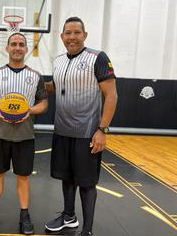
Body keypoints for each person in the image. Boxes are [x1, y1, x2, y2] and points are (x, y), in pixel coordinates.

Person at [44, 17, 118, 236]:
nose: (72, 37)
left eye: (77, 32)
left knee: (86, 183)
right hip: (62, 130)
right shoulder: (57, 61)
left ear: (85, 35)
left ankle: (87, 230)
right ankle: (69, 217)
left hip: (87, 133)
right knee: (67, 177)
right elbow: (54, 87)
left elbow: (111, 95)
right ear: (62, 36)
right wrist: (28, 82)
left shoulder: (98, 58)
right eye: (68, 33)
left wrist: (102, 130)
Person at [0, 33, 48, 235]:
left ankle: (24, 214)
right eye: (13, 44)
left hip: (25, 135)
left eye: (21, 45)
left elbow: (44, 103)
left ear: (26, 49)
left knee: (23, 177)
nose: (17, 48)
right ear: (7, 48)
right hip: (0, 133)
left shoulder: (36, 76)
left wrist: (29, 111)